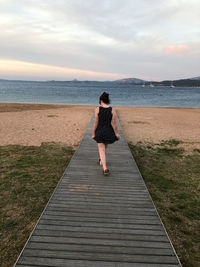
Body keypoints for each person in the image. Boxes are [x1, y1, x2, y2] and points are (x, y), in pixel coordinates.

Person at [92, 92, 120, 175]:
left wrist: (93, 133)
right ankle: (101, 161)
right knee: (104, 147)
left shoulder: (97, 109)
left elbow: (95, 122)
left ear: (100, 100)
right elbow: (114, 123)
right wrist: (117, 133)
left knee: (101, 148)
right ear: (107, 100)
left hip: (100, 130)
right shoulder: (112, 109)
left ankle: (105, 167)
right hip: (108, 130)